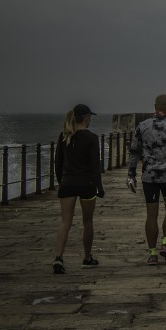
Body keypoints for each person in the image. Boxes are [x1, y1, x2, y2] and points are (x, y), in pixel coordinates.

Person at [127, 94, 166, 266]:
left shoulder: (143, 126)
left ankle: (153, 254)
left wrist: (131, 174)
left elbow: (134, 152)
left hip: (149, 177)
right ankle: (165, 243)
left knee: (151, 215)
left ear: (155, 106)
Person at [53, 103, 104, 274]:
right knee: (87, 222)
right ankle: (87, 257)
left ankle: (59, 258)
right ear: (86, 118)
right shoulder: (92, 138)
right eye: (90, 118)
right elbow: (95, 166)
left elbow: (58, 164)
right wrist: (100, 187)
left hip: (67, 183)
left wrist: (62, 182)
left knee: (65, 221)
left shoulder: (64, 136)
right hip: (87, 184)